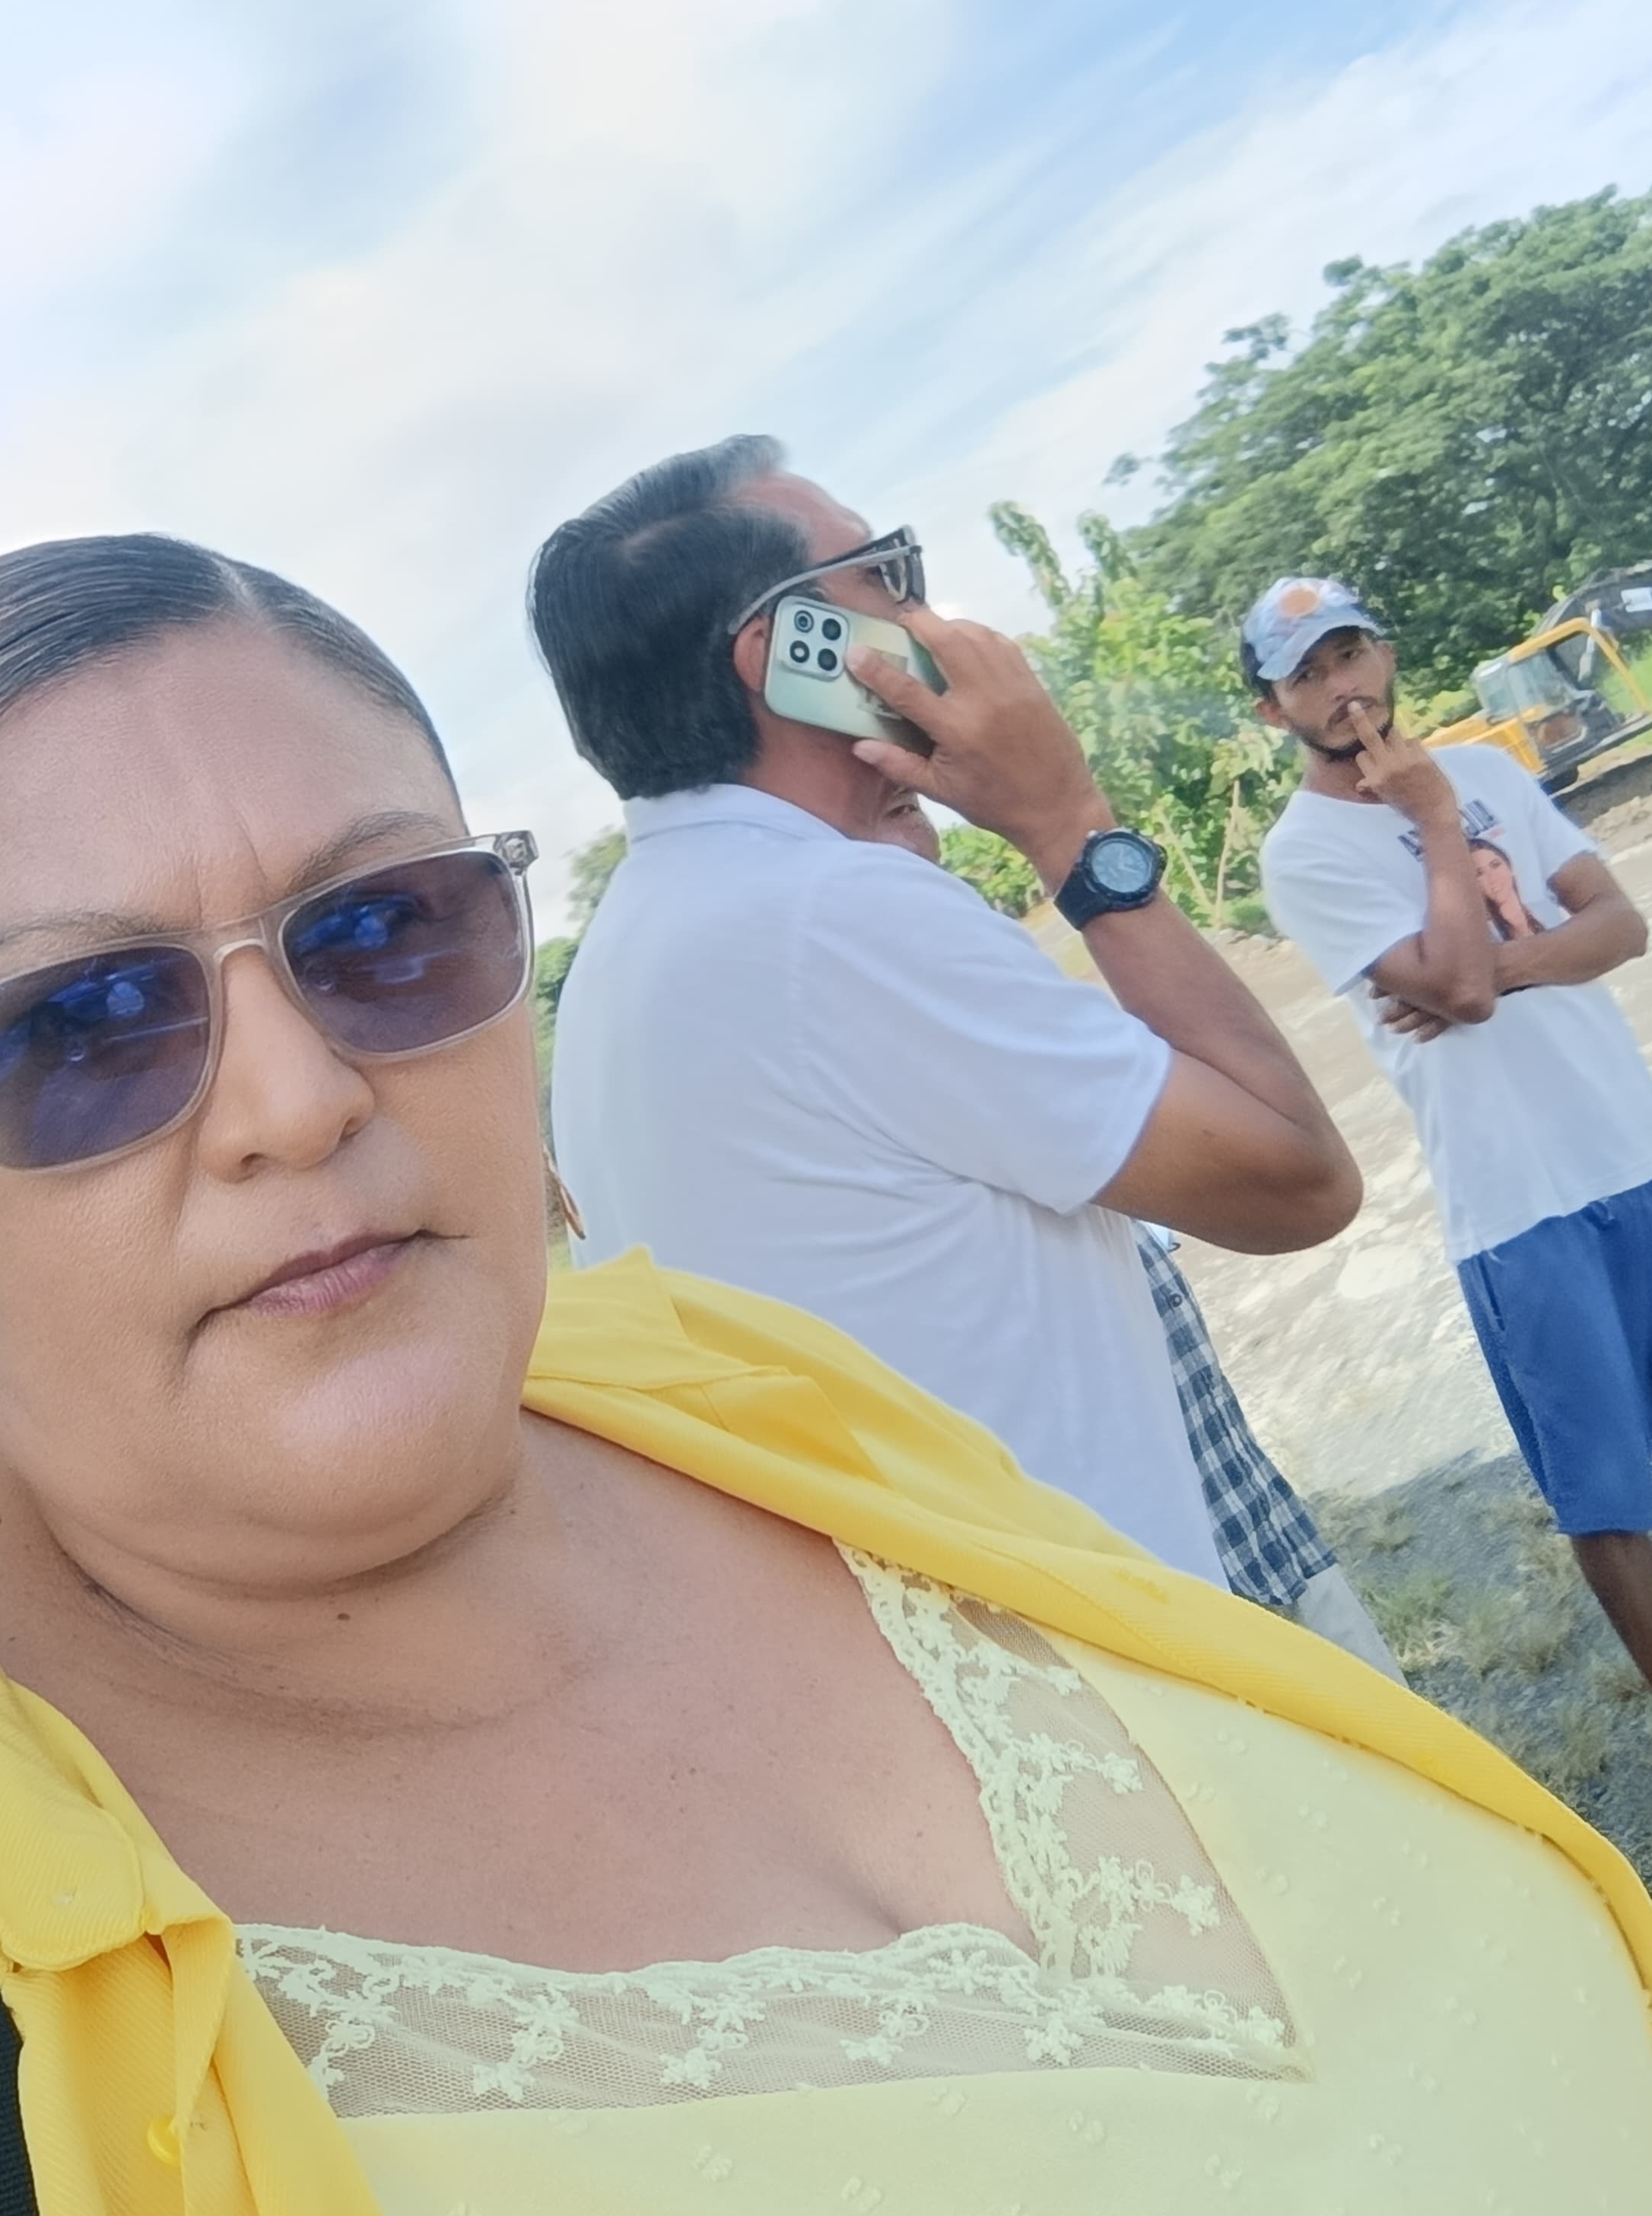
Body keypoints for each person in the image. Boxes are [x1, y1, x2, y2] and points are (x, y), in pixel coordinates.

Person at [0, 529, 1652, 2216]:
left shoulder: (723, 1388)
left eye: (382, 931)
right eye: (75, 1025)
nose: (293, 1100)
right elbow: (1284, 1170)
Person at [529, 436, 1360, 1585]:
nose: (928, 617)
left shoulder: (633, 948)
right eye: (887, 576)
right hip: (1121, 1637)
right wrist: (1067, 821)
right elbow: (1296, 1180)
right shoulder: (830, 913)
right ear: (794, 654)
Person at [1250, 571, 1652, 1883]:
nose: (1343, 687)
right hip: (1512, 1200)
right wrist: (1428, 829)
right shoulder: (1301, 854)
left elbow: (1616, 926)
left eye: (1352, 653)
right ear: (1270, 706)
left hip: (1631, 1149)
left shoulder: (1486, 773)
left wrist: (1499, 962)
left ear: (1383, 653)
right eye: (1308, 673)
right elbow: (1453, 989)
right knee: (1600, 1491)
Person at [867, 788, 1401, 1674]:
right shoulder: (901, 986)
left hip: (1242, 1536)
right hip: (1172, 1621)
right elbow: (1298, 1177)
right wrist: (1063, 816)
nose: (894, 770)